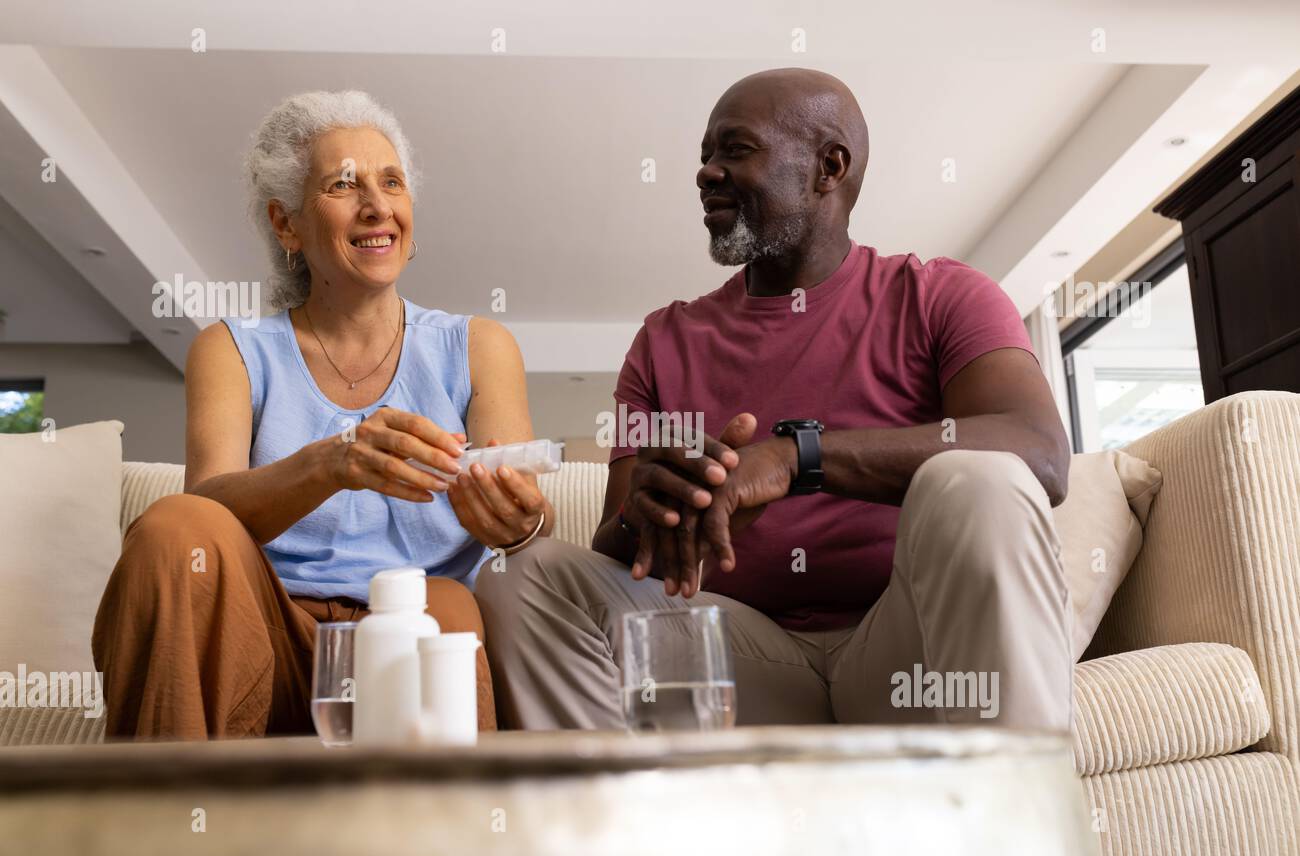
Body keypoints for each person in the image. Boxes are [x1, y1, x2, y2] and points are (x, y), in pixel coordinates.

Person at [476, 69, 1074, 732]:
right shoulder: (666, 340)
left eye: (735, 150)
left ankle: (1019, 819)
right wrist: (663, 513)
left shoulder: (940, 296)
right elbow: (617, 548)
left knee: (981, 480)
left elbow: (1040, 451)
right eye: (704, 157)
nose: (706, 173)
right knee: (520, 573)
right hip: (736, 660)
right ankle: (614, 826)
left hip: (910, 654)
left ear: (828, 167)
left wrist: (794, 459)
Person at [93, 90, 554, 739]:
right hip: (264, 632)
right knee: (175, 528)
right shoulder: (232, 350)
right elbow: (210, 509)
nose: (378, 204)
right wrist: (333, 462)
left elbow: (528, 516)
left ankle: (436, 833)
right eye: (345, 184)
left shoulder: (478, 346)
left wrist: (522, 519)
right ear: (287, 225)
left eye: (391, 182)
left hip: (416, 631)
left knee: (448, 604)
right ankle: (168, 826)